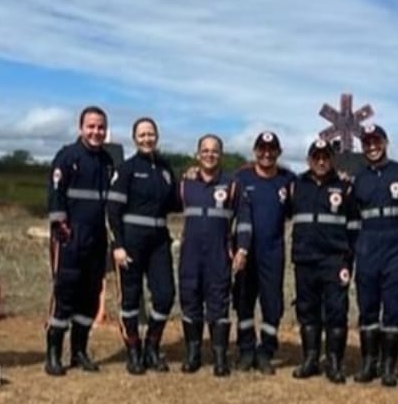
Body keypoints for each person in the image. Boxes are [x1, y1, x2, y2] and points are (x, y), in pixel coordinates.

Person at [107, 117, 181, 375]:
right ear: (134, 138)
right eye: (142, 134)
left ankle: (152, 345)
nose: (147, 138)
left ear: (157, 136)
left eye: (151, 134)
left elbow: (176, 203)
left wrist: (192, 179)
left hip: (159, 239)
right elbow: (113, 209)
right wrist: (117, 244)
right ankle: (134, 351)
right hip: (131, 240)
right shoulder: (126, 169)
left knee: (165, 295)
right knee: (130, 297)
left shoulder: (164, 168)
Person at [45, 106, 114, 376]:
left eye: (100, 127)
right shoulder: (67, 156)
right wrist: (59, 224)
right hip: (69, 236)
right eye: (91, 127)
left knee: (89, 296)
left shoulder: (108, 161)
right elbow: (55, 191)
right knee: (65, 293)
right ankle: (52, 353)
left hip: (96, 237)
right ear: (80, 128)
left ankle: (79, 351)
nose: (96, 132)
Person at [288, 140, 359, 384]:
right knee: (307, 310)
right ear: (309, 159)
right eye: (316, 157)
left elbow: (354, 226)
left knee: (336, 312)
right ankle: (310, 359)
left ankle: (334, 362)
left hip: (334, 259)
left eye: (325, 157)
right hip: (305, 259)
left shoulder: (345, 187)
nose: (321, 162)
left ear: (332, 159)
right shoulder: (296, 185)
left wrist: (348, 257)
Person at [232, 131, 295, 375]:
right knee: (244, 302)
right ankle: (247, 349)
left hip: (273, 252)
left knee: (272, 304)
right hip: (245, 251)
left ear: (279, 152)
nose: (266, 154)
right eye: (262, 149)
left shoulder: (287, 180)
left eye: (271, 149)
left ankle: (266, 350)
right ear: (255, 151)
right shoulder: (240, 177)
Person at [350, 124, 398, 386]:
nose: (372, 147)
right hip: (368, 247)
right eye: (367, 143)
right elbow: (351, 217)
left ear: (385, 142)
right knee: (368, 308)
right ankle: (369, 363)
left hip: (395, 249)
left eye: (376, 142)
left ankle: (388, 367)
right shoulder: (358, 177)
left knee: (393, 310)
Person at [177, 134, 236, 377]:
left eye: (214, 151)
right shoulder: (185, 184)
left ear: (220, 155)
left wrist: (241, 248)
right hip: (190, 254)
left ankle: (220, 357)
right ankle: (193, 354)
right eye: (205, 150)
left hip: (218, 254)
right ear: (197, 154)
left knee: (219, 304)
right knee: (190, 300)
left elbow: (243, 219)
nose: (209, 155)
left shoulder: (231, 184)